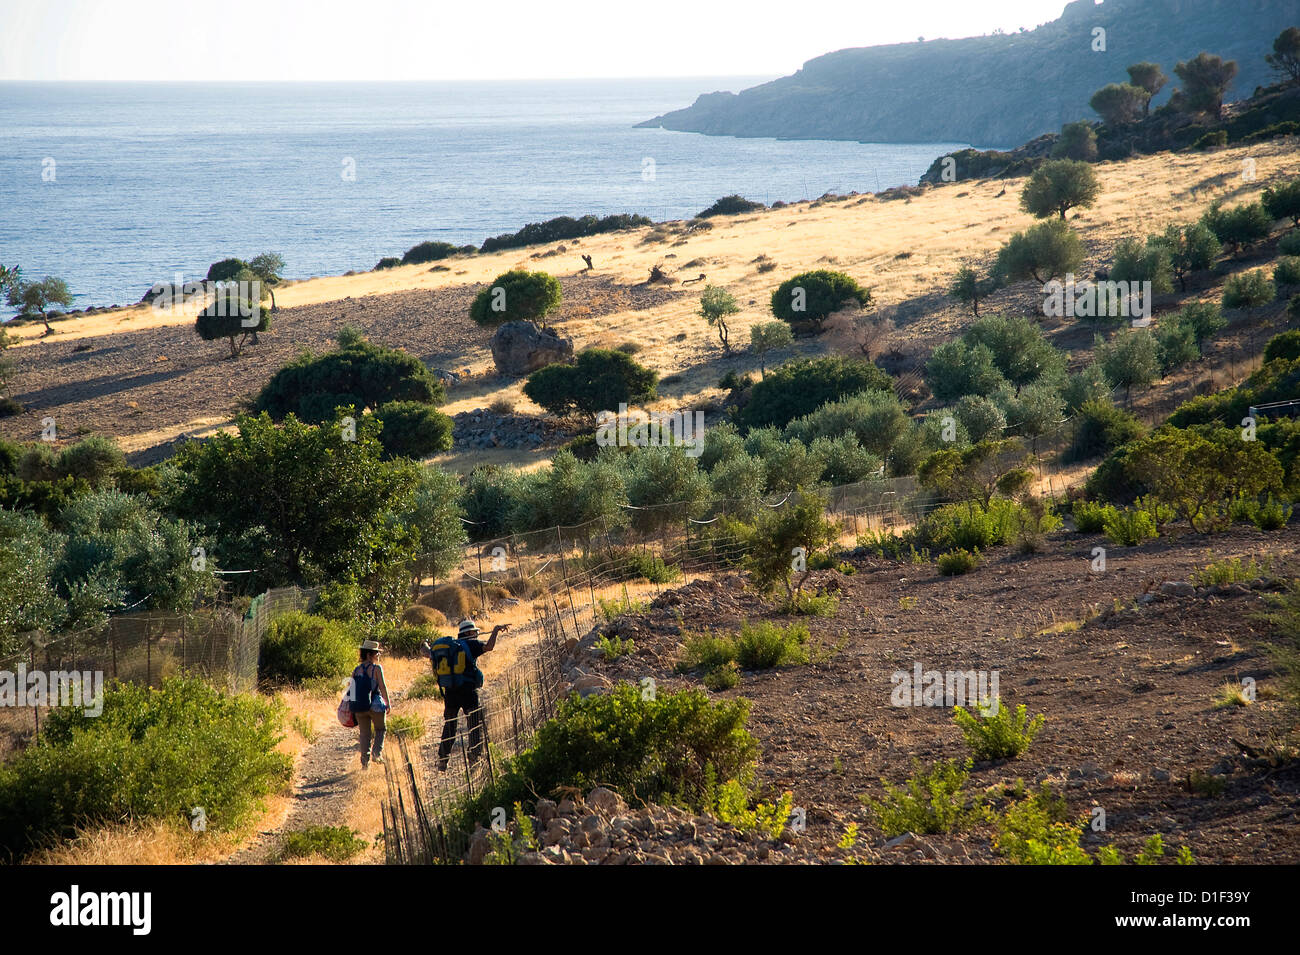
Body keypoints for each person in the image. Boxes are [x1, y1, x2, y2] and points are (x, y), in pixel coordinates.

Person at [426, 618, 508, 771]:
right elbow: (489, 647)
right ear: (470, 632)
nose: (476, 635)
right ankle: (474, 758)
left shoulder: (448, 648)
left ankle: (443, 759)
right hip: (468, 692)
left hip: (450, 693)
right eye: (474, 632)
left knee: (450, 725)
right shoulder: (472, 645)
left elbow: (428, 654)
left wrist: (424, 646)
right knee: (474, 723)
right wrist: (495, 630)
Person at [350, 639, 391, 771]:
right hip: (375, 705)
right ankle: (376, 754)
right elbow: (382, 687)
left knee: (364, 735)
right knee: (381, 729)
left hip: (360, 707)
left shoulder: (356, 670)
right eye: (376, 653)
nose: (378, 656)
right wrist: (388, 703)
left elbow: (351, 689)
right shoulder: (376, 669)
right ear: (369, 654)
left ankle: (364, 764)